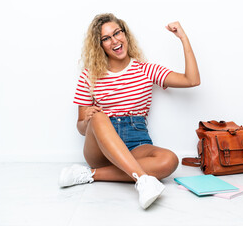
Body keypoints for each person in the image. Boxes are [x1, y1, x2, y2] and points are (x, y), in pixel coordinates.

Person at [58, 13, 200, 209]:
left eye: (117, 33)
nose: (114, 41)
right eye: (106, 38)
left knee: (169, 160)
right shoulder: (88, 76)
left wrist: (183, 38)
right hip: (101, 147)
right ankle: (143, 180)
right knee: (98, 116)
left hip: (137, 141)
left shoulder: (145, 69)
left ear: (125, 34)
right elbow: (81, 128)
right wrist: (88, 118)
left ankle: (90, 174)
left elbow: (191, 80)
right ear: (99, 45)